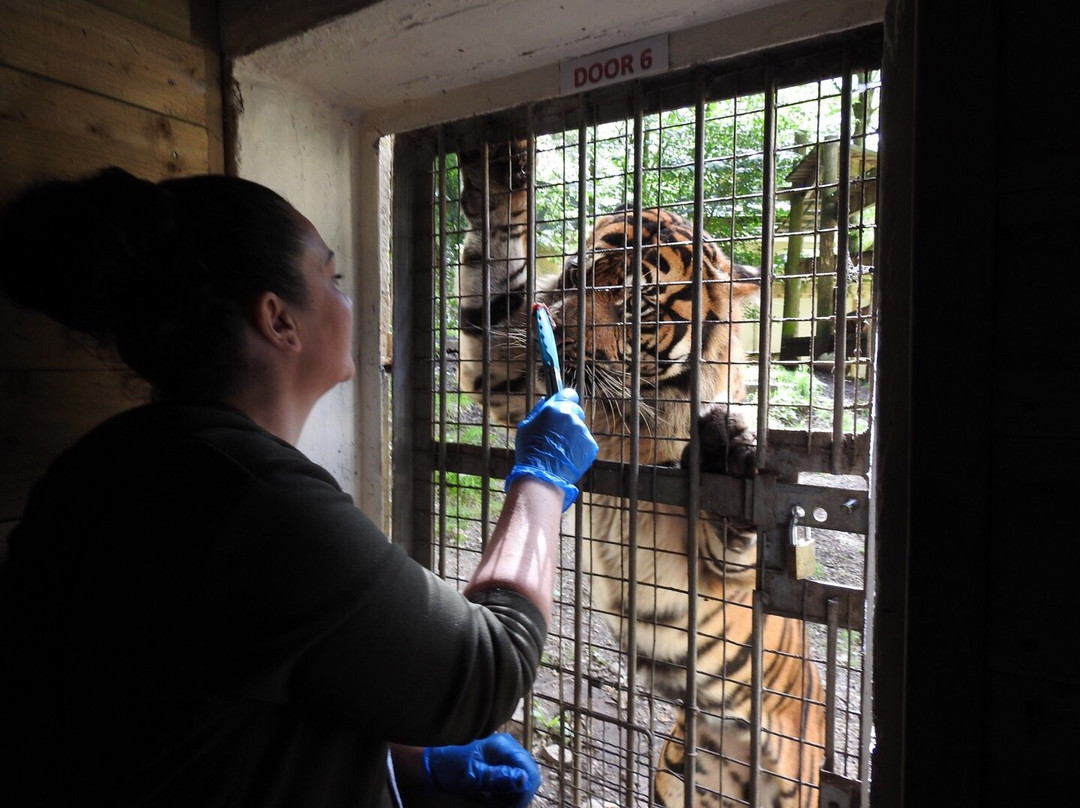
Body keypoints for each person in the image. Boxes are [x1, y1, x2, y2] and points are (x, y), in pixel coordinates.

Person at [0, 168, 598, 808]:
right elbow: (488, 668)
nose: (349, 301)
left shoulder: (105, 461)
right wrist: (542, 476)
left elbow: (217, 697)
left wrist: (407, 760)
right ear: (279, 319)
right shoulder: (254, 504)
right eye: (332, 279)